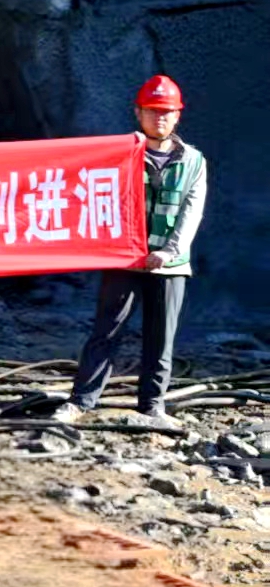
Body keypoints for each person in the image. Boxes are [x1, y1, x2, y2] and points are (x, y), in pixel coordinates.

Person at [54, 75, 207, 425]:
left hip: (170, 265)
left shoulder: (194, 162)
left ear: (178, 115)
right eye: (152, 111)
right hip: (124, 261)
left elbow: (191, 212)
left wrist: (168, 252)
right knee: (107, 331)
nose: (159, 118)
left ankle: (152, 405)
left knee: (161, 338)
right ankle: (81, 401)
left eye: (166, 112)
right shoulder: (120, 154)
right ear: (138, 113)